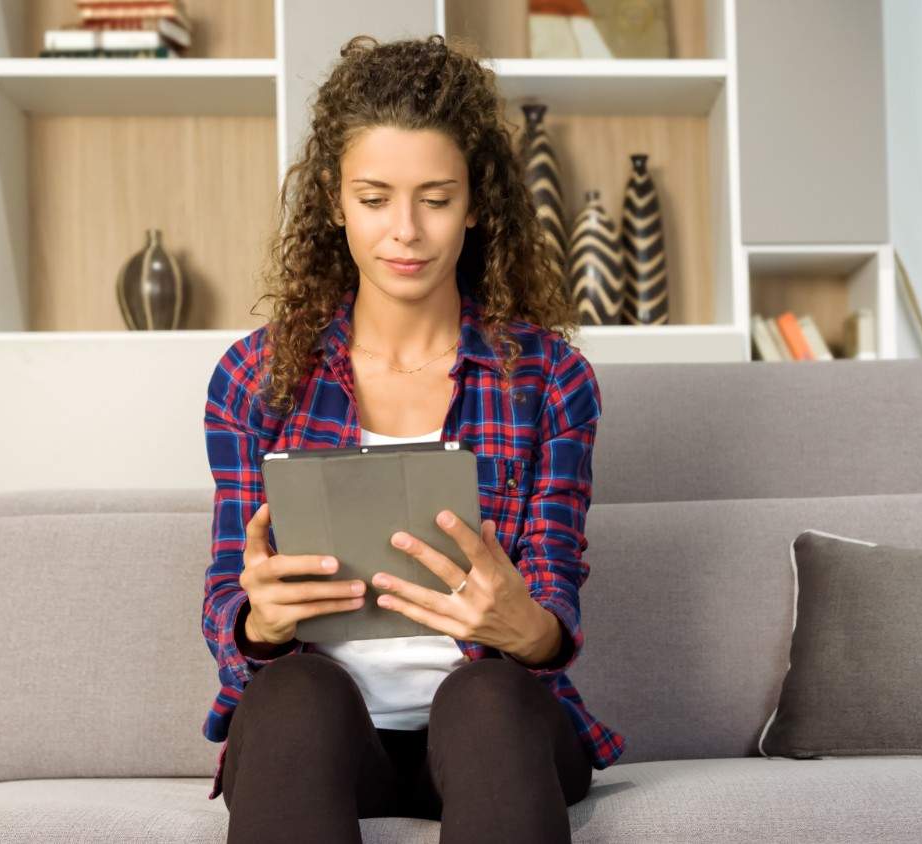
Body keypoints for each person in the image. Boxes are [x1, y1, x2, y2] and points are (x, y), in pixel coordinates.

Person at [200, 33, 626, 844]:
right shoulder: (254, 377)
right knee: (292, 698)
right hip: (324, 735)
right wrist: (261, 622)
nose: (406, 231)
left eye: (435, 199)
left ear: (476, 203)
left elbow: (554, 608)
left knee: (487, 699)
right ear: (334, 201)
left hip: (495, 725)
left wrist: (524, 625)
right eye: (374, 199)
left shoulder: (550, 379)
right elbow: (230, 595)